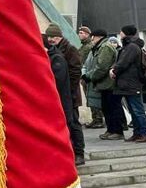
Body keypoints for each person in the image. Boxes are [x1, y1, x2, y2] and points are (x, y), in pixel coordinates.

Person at [46, 34, 85, 165]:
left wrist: (71, 91)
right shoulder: (57, 51)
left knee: (73, 123)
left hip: (70, 93)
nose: (52, 39)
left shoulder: (68, 50)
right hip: (66, 93)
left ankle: (79, 153)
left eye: (54, 36)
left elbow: (75, 71)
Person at [112, 24, 146, 143]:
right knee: (133, 110)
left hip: (132, 83)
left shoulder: (132, 47)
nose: (120, 33)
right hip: (127, 83)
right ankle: (137, 133)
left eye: (121, 31)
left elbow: (124, 62)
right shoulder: (128, 46)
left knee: (137, 109)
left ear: (126, 33)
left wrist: (114, 70)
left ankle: (144, 133)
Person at [90, 30, 124, 140]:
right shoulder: (102, 46)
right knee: (106, 107)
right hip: (105, 83)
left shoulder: (105, 47)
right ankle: (111, 130)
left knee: (112, 107)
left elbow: (102, 66)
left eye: (93, 37)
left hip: (109, 84)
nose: (92, 39)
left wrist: (92, 76)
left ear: (98, 37)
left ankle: (117, 131)